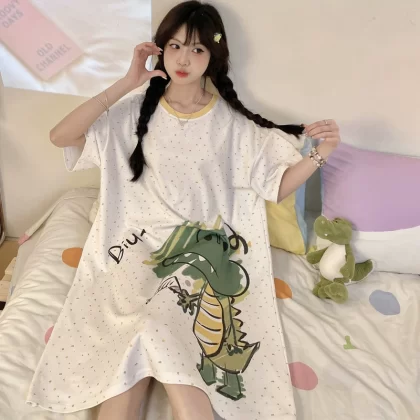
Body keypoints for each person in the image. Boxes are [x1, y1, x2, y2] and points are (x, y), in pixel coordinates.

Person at [27, 1, 341, 419]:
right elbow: (60, 136)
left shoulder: (233, 124)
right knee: (130, 341)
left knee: (167, 337)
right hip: (133, 249)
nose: (183, 59)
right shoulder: (132, 111)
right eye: (174, 46)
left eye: (197, 49)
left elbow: (276, 186)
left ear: (213, 56)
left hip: (199, 257)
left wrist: (323, 153)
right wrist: (126, 82)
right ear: (160, 50)